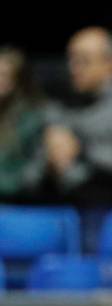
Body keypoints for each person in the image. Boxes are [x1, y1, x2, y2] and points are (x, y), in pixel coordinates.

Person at [38, 27, 112, 206]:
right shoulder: (57, 106)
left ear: (111, 65)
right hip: (58, 206)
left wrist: (82, 149)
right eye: (71, 59)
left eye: (83, 61)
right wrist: (48, 158)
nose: (73, 68)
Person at [0, 47, 46, 203]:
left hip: (16, 203)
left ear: (17, 80)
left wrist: (12, 186)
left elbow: (36, 167)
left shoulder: (31, 118)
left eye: (4, 75)